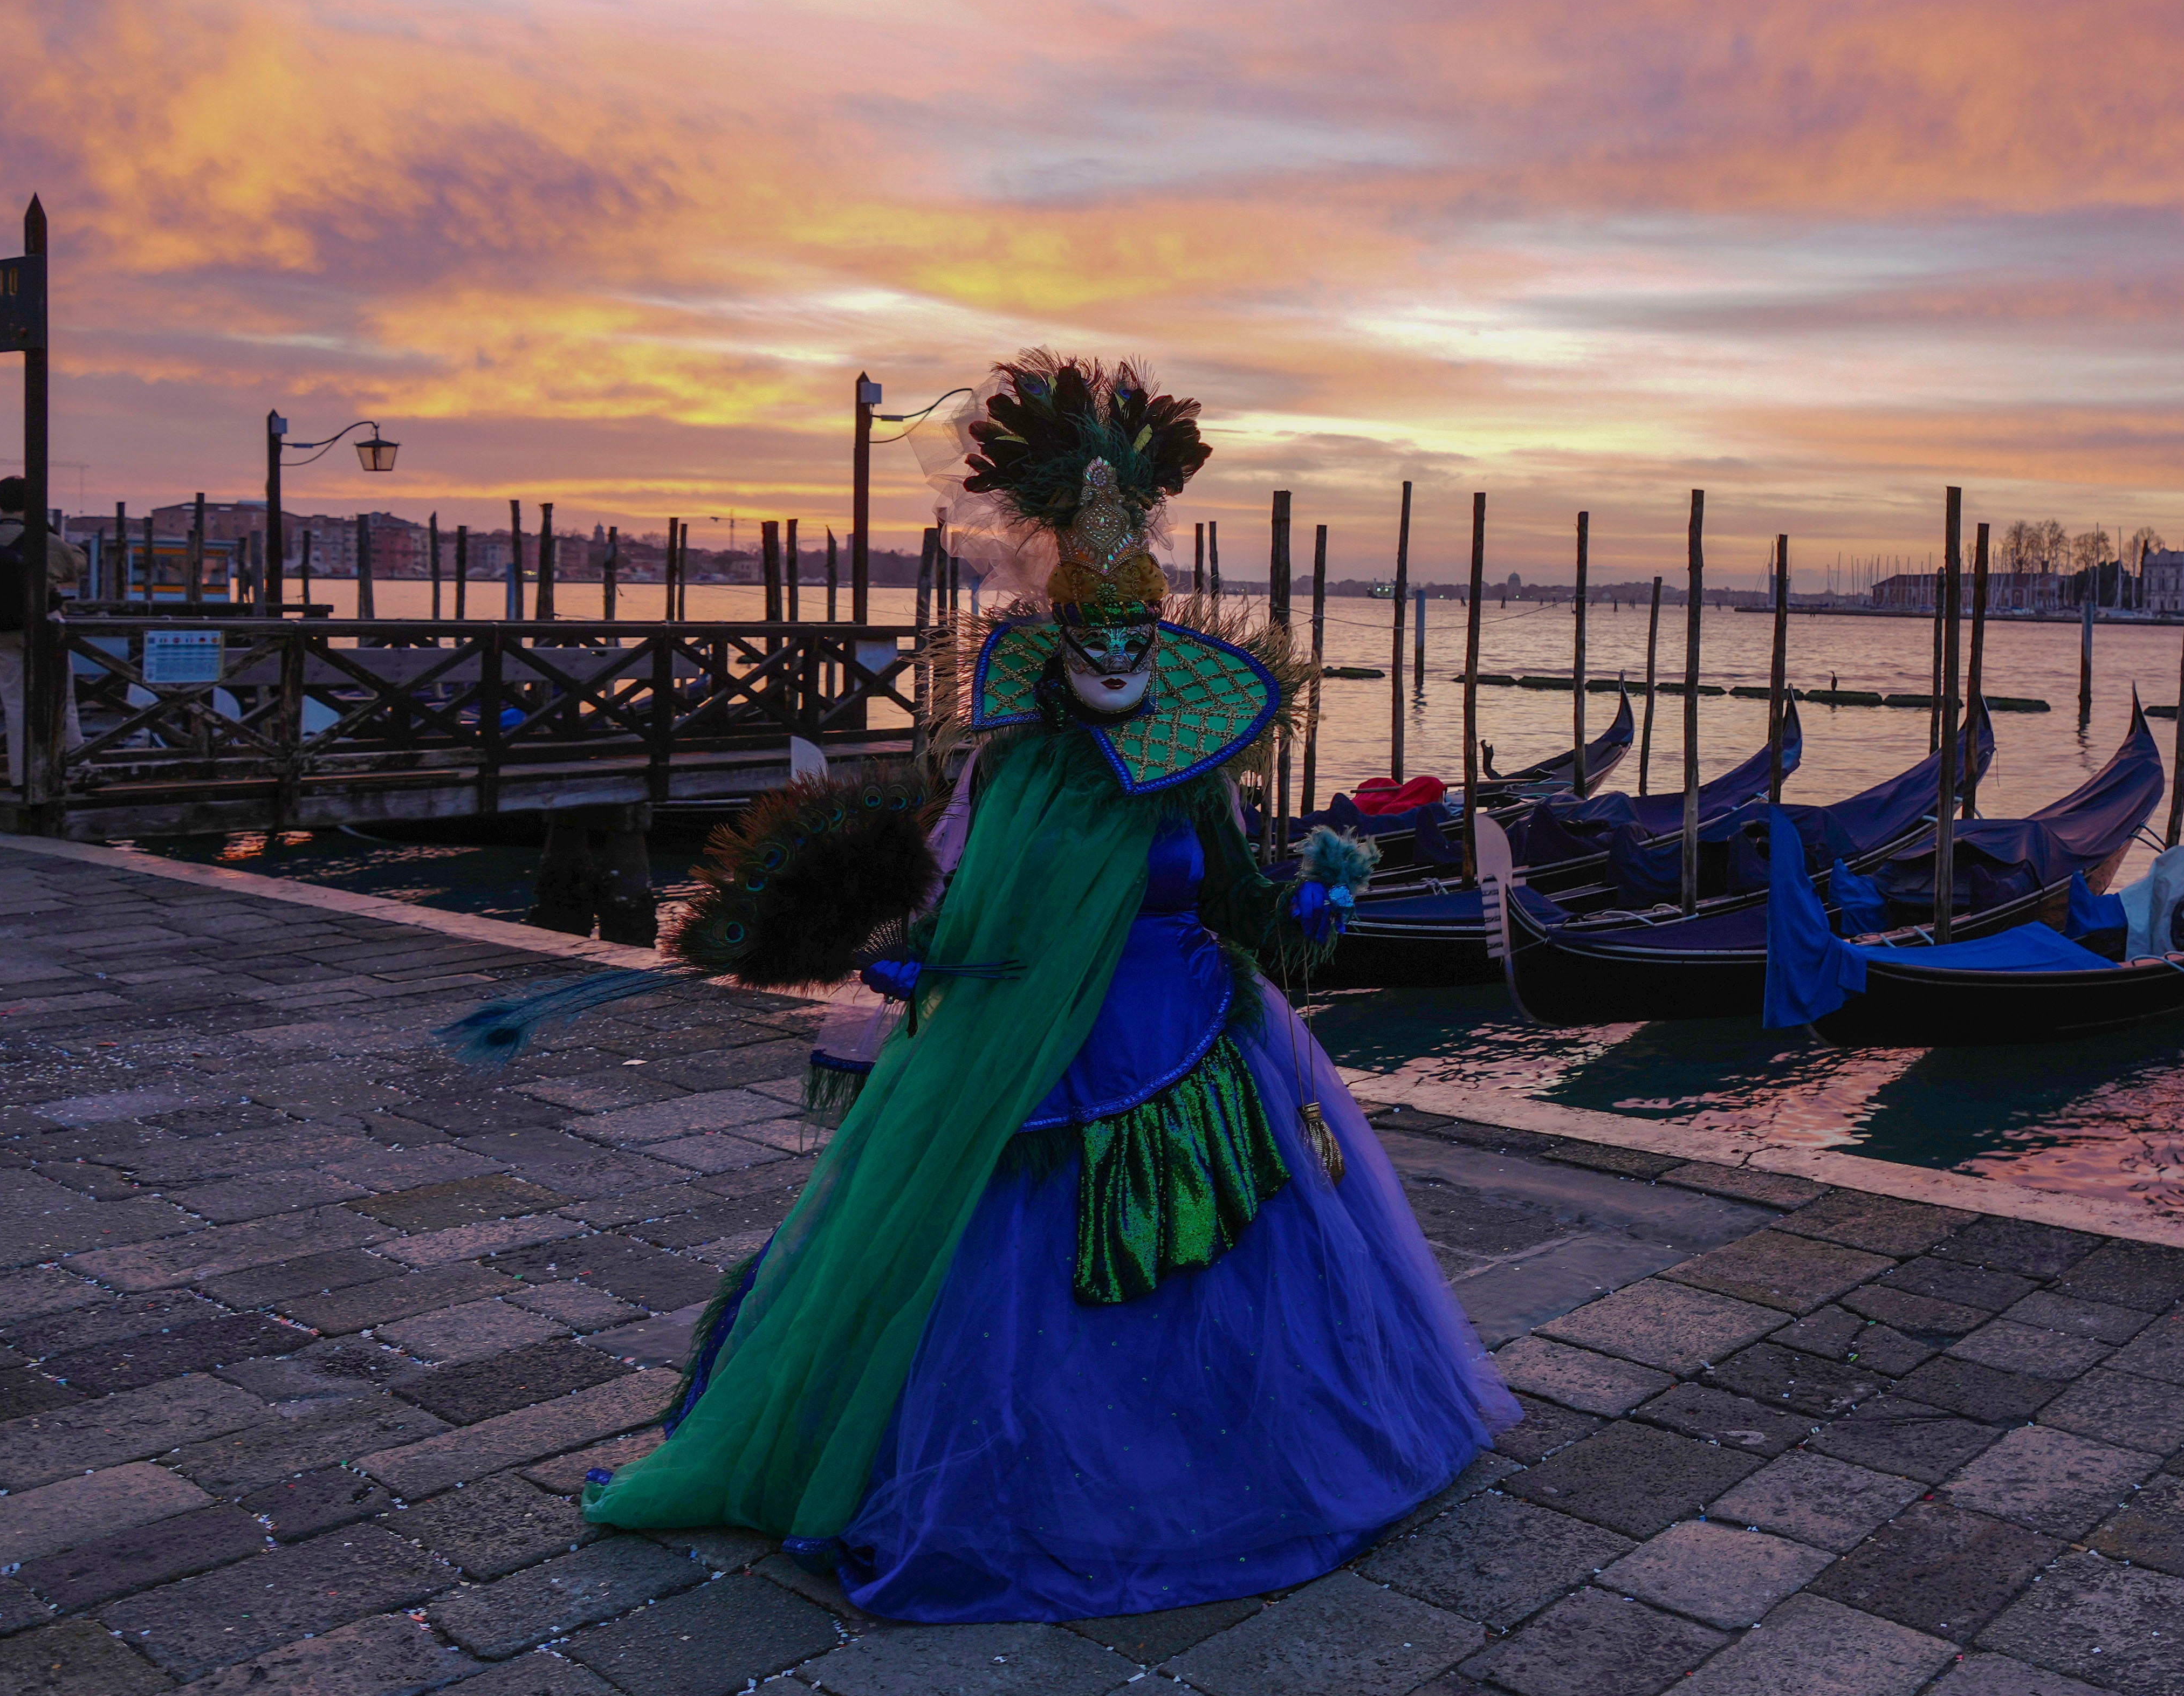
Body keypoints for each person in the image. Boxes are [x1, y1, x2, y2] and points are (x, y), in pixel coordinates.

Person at [583, 353, 1512, 1619]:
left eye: (1136, 633)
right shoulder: (1013, 776)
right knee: (995, 1294)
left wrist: (1312, 902)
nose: (1116, 656)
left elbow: (1239, 905)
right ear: (1064, 629)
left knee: (1234, 1294)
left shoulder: (1192, 776)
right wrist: (902, 951)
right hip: (1029, 1056)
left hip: (1194, 1040)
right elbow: (955, 906)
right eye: (1096, 632)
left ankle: (1220, 1470)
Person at [0, 476, 85, 787]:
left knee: (16, 706)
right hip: (44, 627)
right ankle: (74, 768)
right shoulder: (41, 539)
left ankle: (22, 777)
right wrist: (51, 534)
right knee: (62, 702)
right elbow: (76, 566)